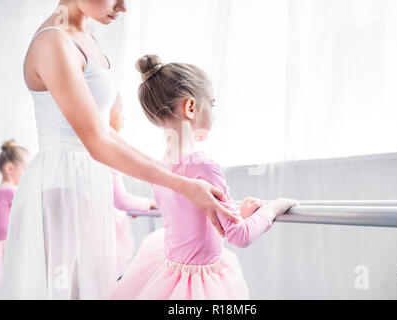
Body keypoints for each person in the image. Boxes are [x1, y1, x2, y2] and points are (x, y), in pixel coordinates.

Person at [1, 0, 237, 300]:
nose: (123, 6)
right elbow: (97, 141)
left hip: (87, 180)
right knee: (62, 291)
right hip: (61, 187)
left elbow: (104, 130)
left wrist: (168, 171)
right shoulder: (53, 42)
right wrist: (183, 185)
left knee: (86, 289)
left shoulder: (87, 37)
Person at [113, 55, 299, 300]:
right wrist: (274, 208)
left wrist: (238, 215)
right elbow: (239, 236)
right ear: (191, 107)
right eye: (211, 104)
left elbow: (194, 220)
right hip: (198, 285)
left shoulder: (160, 165)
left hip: (168, 274)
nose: (213, 112)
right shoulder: (203, 165)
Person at [109, 94, 157, 278]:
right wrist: (148, 203)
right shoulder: (108, 152)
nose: (124, 116)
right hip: (105, 236)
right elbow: (121, 200)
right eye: (120, 109)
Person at [0, 140, 31, 289]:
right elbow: (28, 210)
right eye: (26, 170)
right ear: (10, 168)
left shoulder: (0, 191)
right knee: (6, 280)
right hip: (3, 245)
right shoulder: (11, 191)